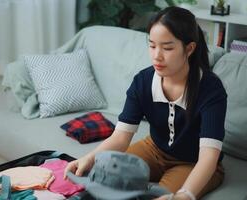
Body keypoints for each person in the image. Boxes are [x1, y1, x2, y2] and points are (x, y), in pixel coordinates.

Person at [64, 6, 227, 200]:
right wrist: (88, 159)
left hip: (193, 162)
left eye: (167, 48)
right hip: (153, 149)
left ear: (189, 48)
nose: (157, 56)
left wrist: (185, 195)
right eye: (152, 45)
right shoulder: (143, 82)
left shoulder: (210, 89)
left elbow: (208, 158)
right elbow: (120, 138)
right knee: (104, 177)